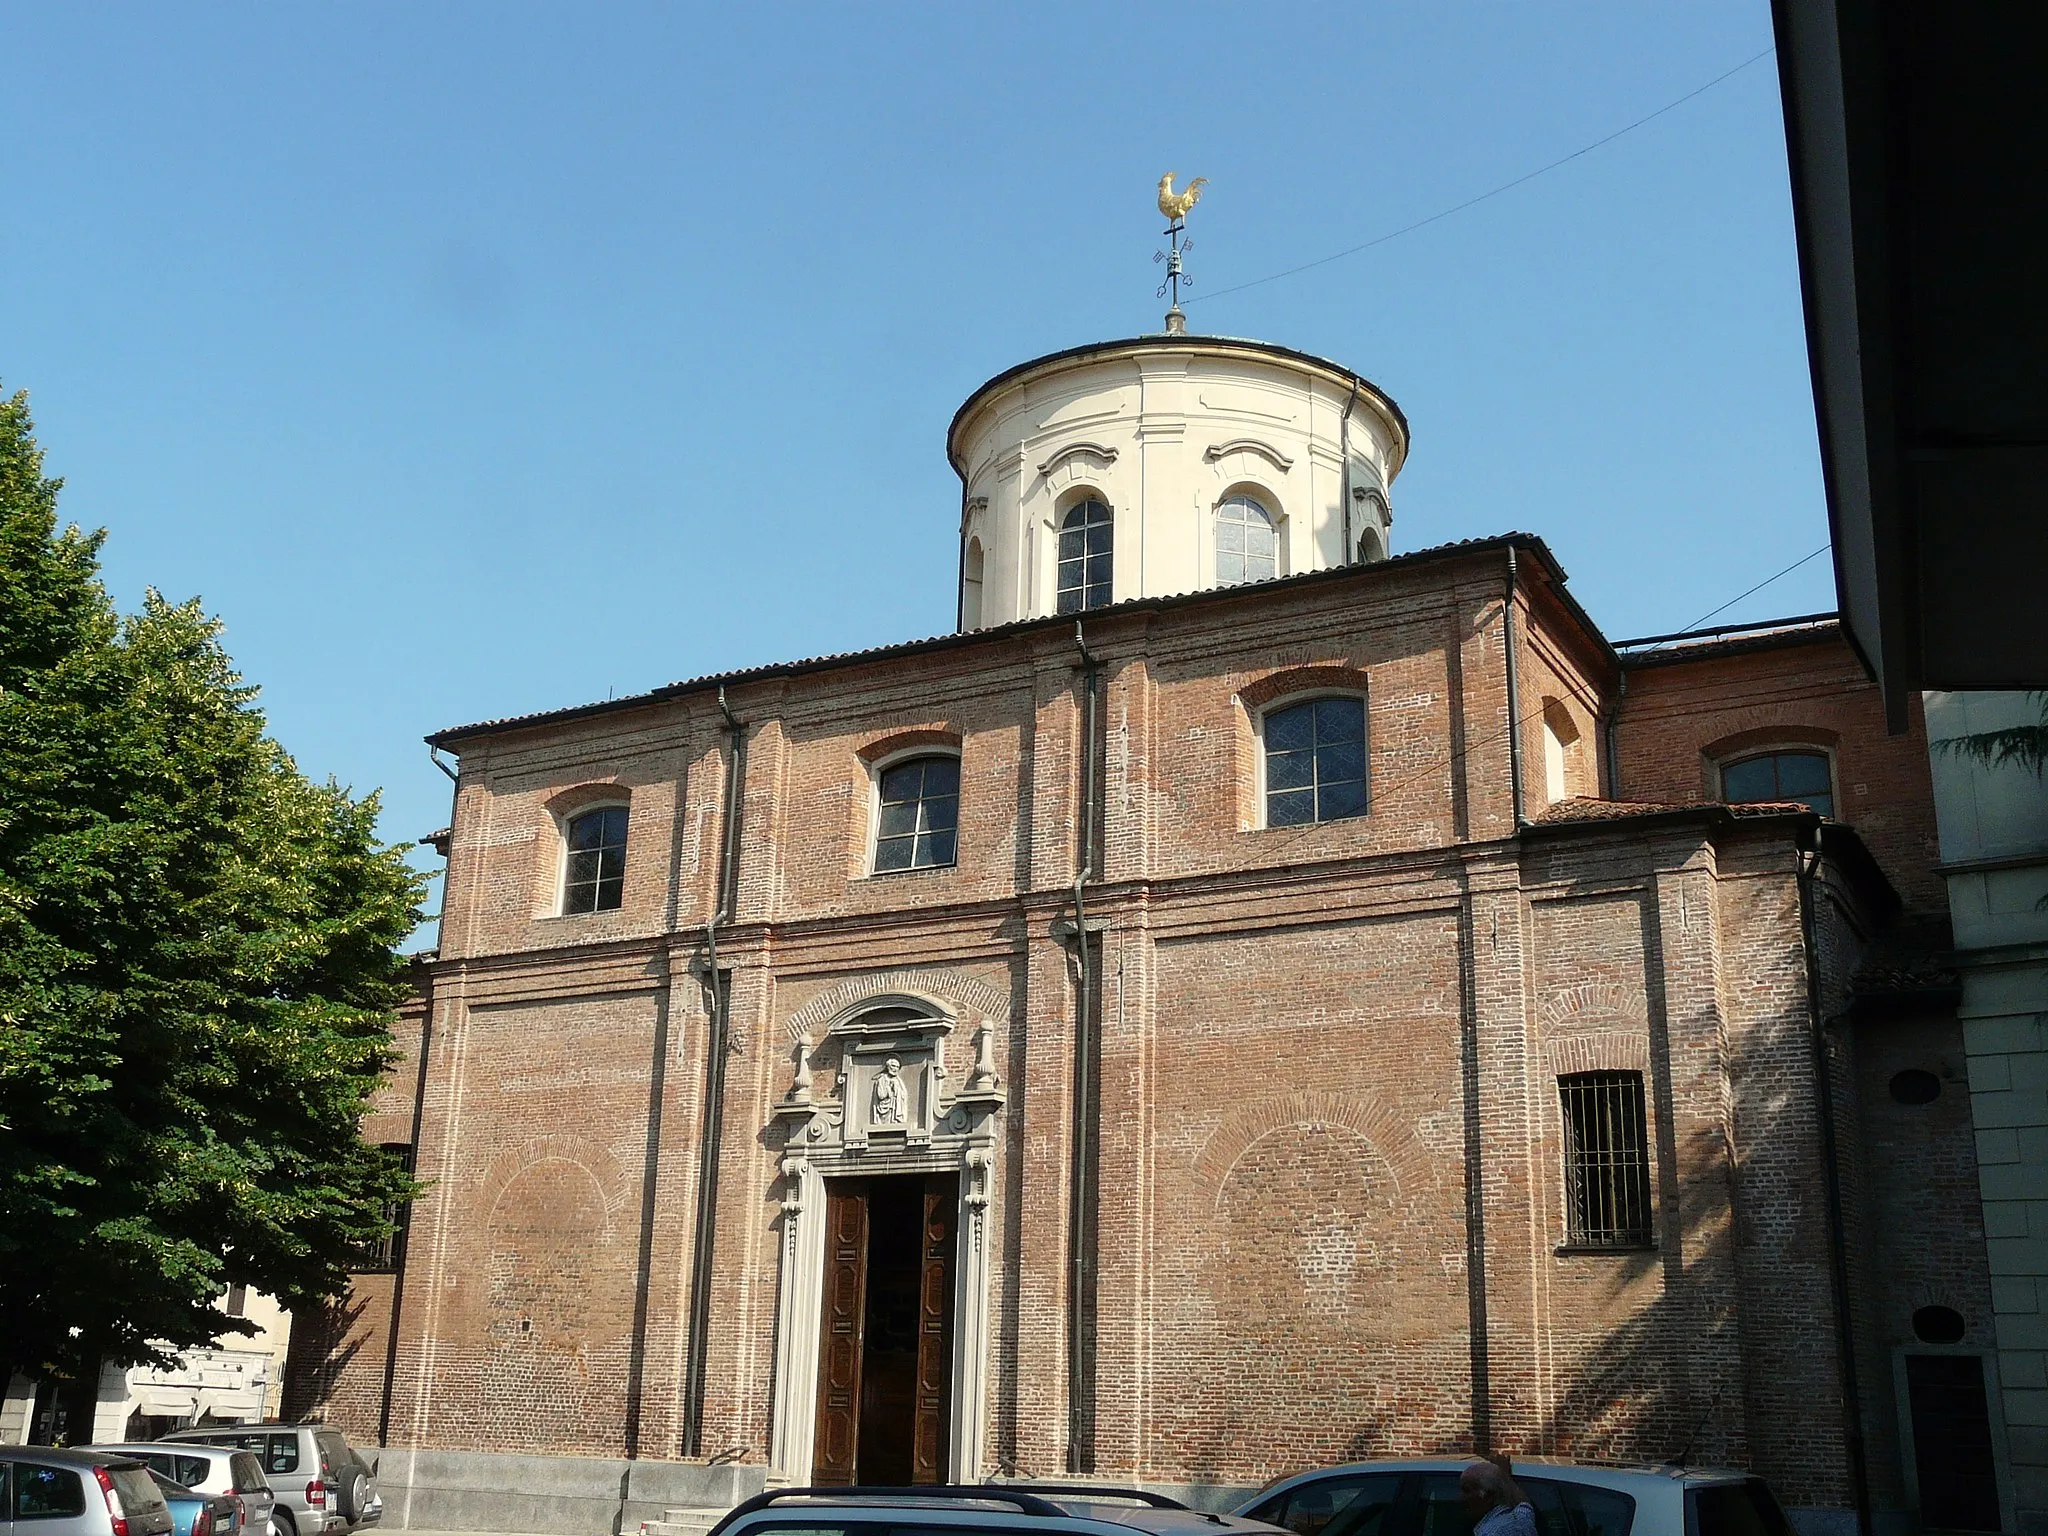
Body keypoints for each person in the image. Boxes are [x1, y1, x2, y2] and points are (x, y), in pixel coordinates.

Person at [1459, 1455, 1536, 1536]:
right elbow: (1524, 1504)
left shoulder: (1490, 1533)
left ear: (1488, 1496)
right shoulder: (1521, 1521)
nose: (1461, 1498)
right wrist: (1504, 1476)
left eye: (1466, 1491)